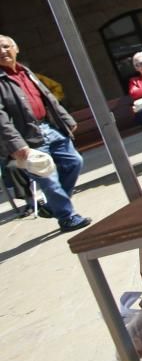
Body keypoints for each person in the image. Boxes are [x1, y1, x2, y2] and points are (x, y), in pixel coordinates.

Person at [0, 35, 90, 232]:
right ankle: (67, 217)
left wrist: (66, 120)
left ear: (16, 49)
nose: (3, 51)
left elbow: (48, 97)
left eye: (6, 46)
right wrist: (18, 146)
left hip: (50, 128)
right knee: (48, 178)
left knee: (75, 162)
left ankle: (51, 206)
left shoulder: (25, 71)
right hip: (27, 138)